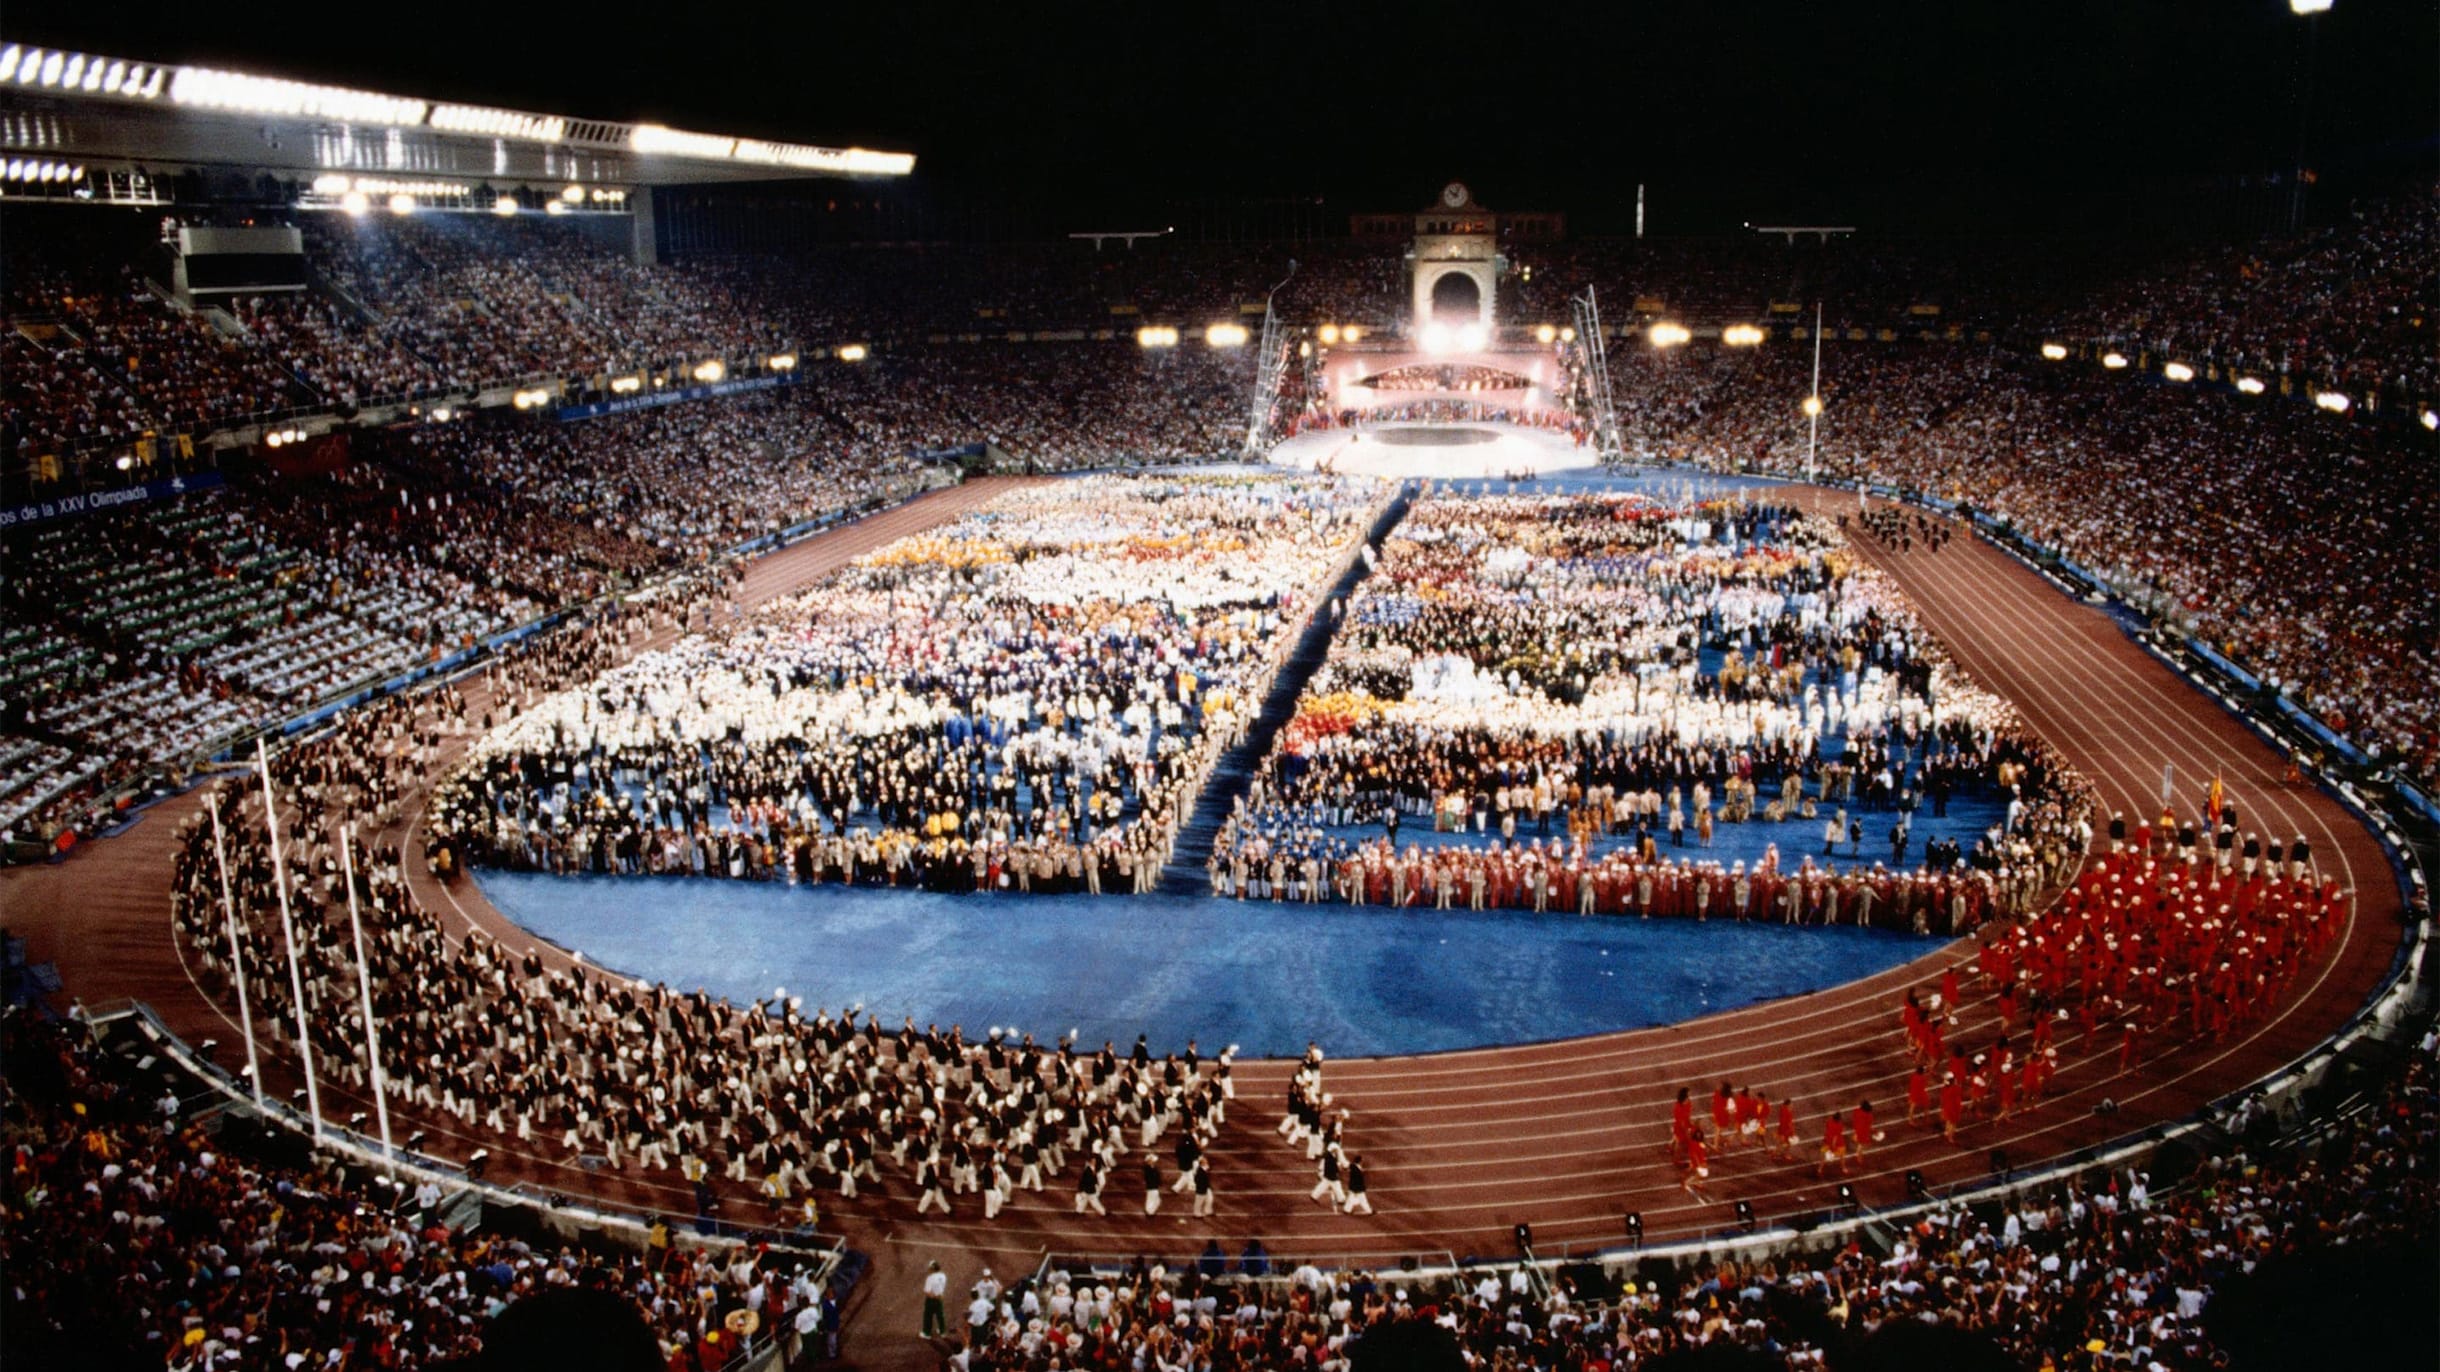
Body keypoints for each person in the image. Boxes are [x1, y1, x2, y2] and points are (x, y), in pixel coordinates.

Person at [920, 1261, 948, 1339]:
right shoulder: (943, 1276)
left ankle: (927, 1333)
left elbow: (927, 1292)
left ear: (932, 1269)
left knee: (928, 1316)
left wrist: (934, 1296)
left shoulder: (930, 1278)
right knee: (940, 1315)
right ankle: (942, 1332)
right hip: (940, 1298)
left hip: (931, 1300)